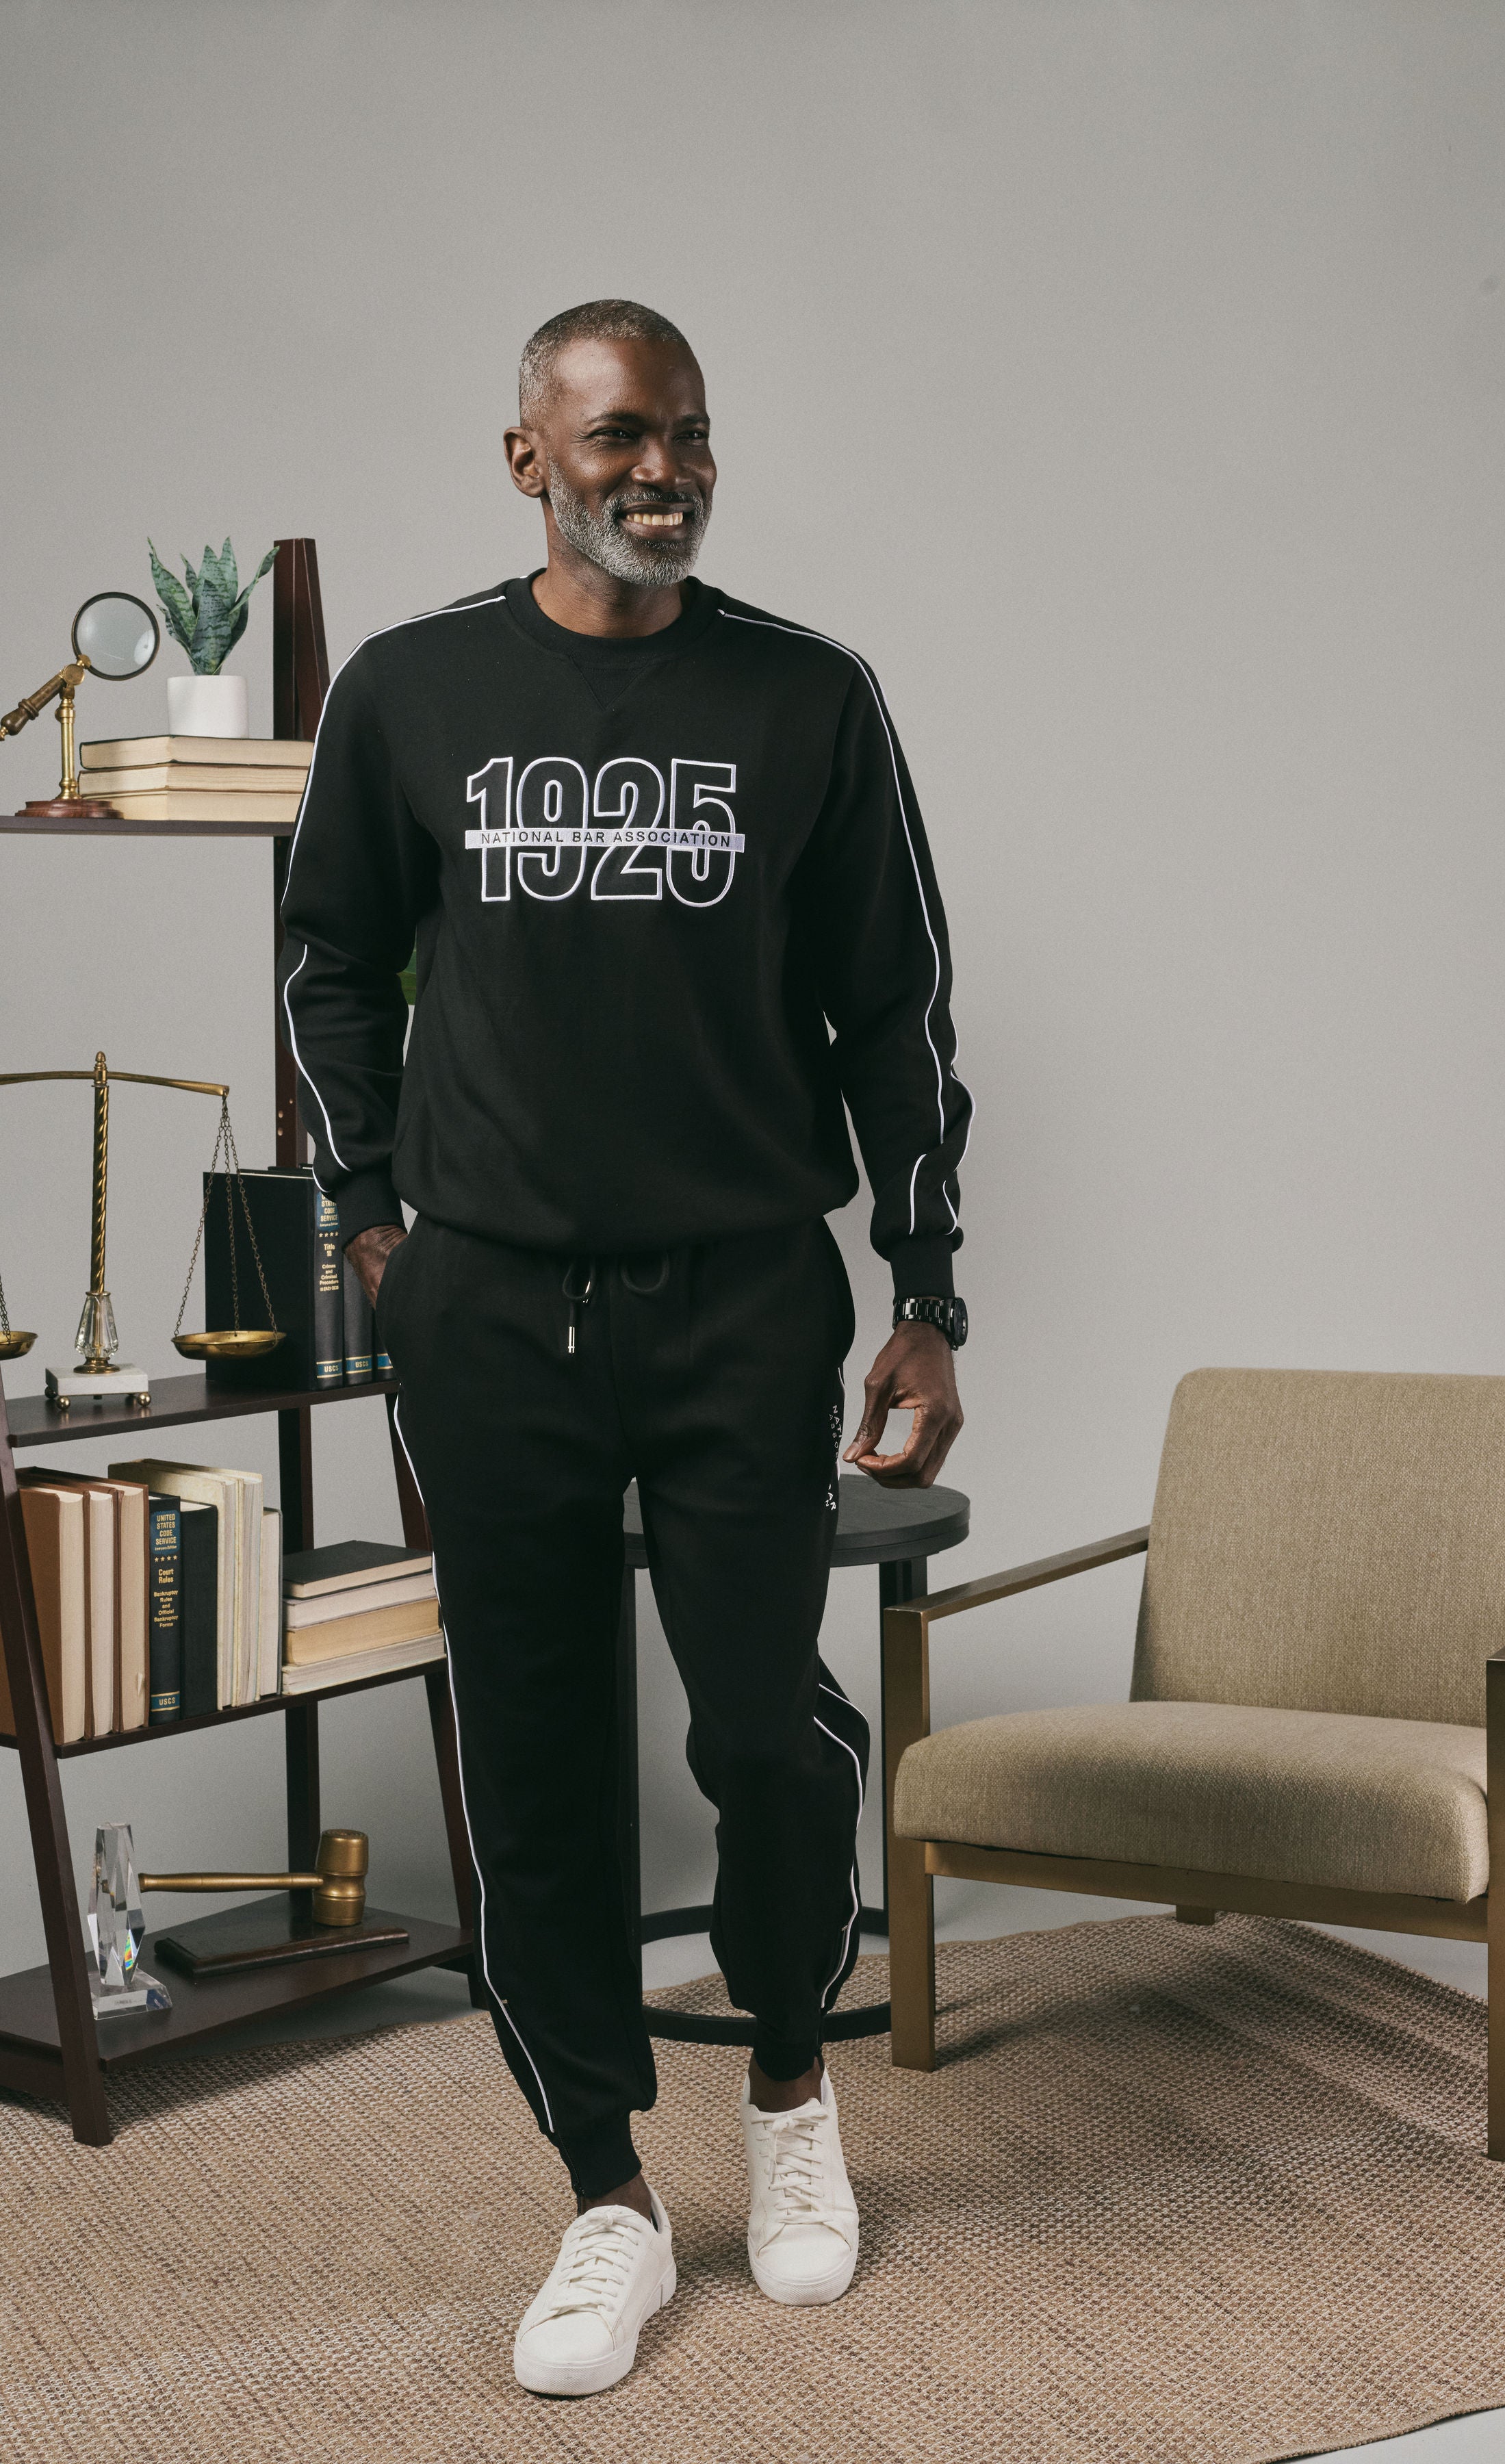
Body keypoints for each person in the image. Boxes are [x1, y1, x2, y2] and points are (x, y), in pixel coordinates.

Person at [278, 298, 970, 2397]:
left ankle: (784, 2092)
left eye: (684, 437)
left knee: (762, 1734)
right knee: (540, 1767)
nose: (656, 470)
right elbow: (331, 974)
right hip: (488, 1315)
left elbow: (895, 1013)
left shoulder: (805, 700)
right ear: (528, 461)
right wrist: (379, 1229)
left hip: (743, 1297)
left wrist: (929, 1293)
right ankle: (598, 2188)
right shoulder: (410, 693)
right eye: (612, 440)